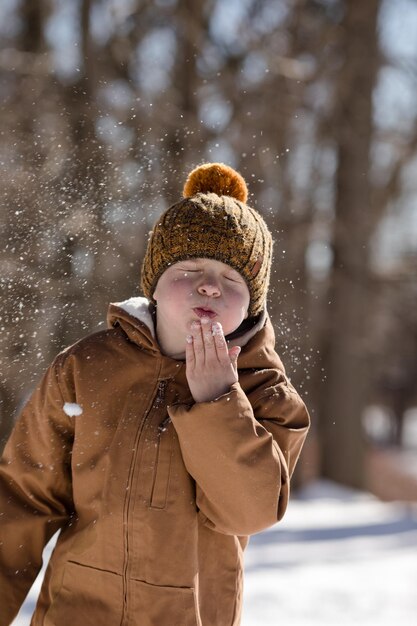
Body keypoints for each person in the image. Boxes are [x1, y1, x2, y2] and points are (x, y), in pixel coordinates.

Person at [0, 162, 310, 626]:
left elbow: (248, 512)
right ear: (155, 284)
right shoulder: (86, 368)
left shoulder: (266, 393)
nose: (210, 284)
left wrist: (218, 401)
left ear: (251, 306)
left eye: (232, 280)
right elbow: (22, 499)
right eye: (191, 268)